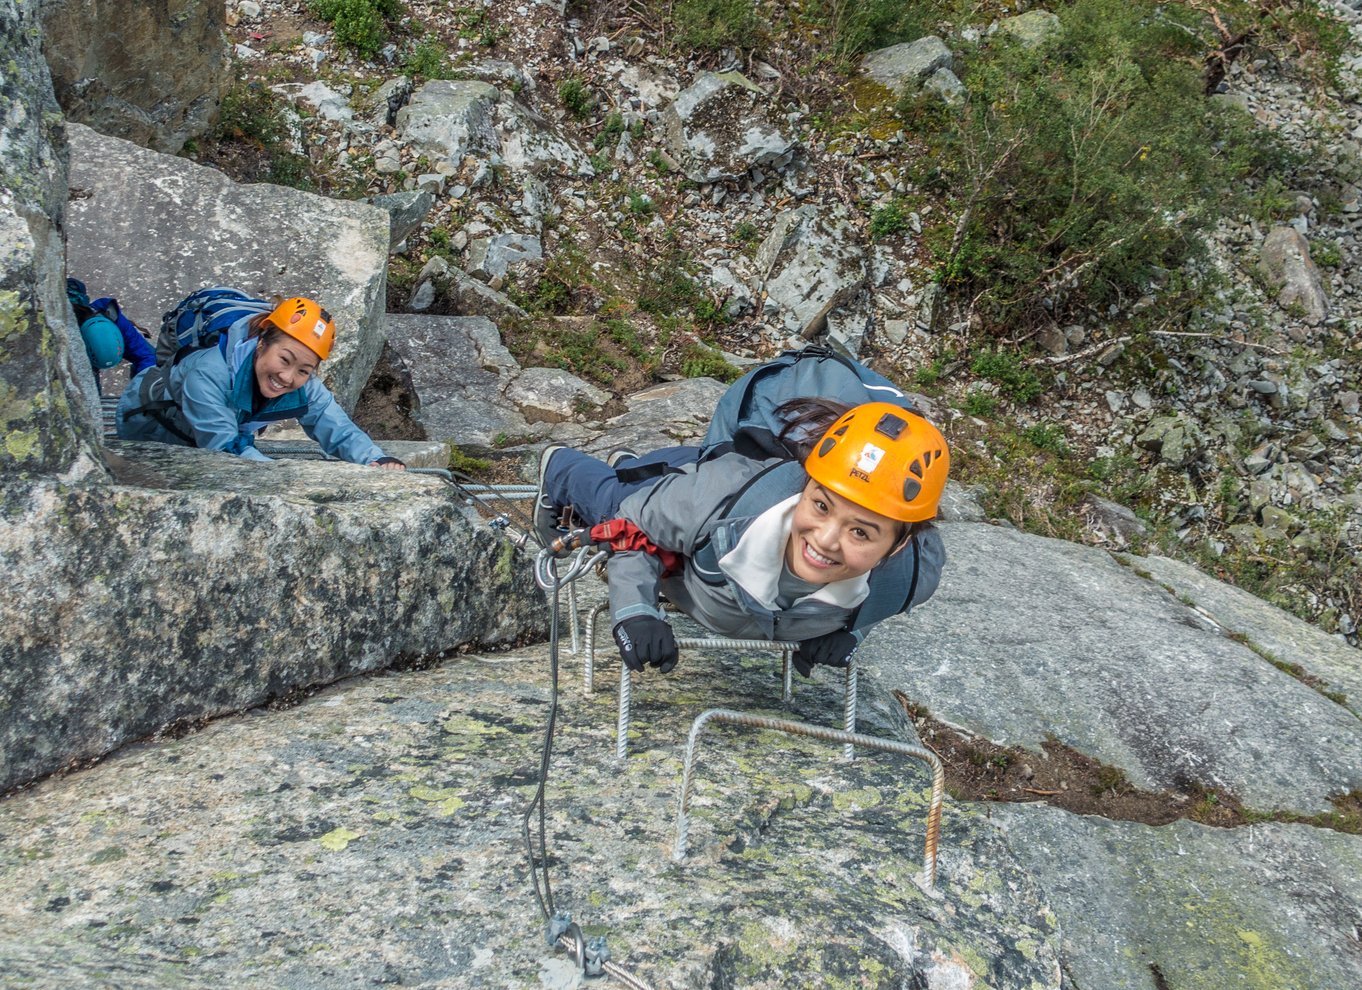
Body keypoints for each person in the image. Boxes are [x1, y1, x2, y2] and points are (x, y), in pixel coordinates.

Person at [534, 399, 948, 678]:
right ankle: (560, 464)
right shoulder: (723, 501)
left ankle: (636, 465)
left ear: (896, 547)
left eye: (861, 532)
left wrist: (852, 631)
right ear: (805, 487)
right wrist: (635, 611)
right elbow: (634, 530)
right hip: (695, 486)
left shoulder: (910, 577)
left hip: (684, 499)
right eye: (821, 506)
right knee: (614, 498)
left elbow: (884, 600)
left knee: (649, 484)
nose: (825, 540)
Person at [116, 295, 404, 468]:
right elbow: (224, 449)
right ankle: (114, 320)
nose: (288, 377)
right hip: (147, 431)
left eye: (304, 370)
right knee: (140, 358)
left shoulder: (303, 383)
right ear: (261, 342)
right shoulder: (208, 372)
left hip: (202, 439)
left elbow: (338, 429)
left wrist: (376, 460)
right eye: (285, 359)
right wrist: (280, 477)